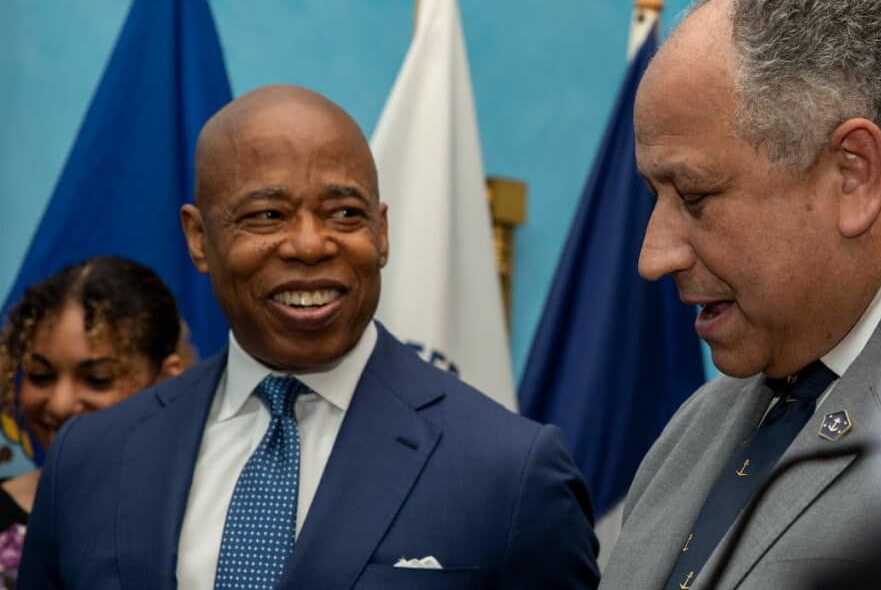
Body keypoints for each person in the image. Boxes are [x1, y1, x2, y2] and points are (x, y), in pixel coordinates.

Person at [20, 84, 600, 589]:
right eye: (268, 216)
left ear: (382, 233)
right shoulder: (91, 459)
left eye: (344, 213)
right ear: (198, 239)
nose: (310, 244)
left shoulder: (509, 471)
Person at [598, 0, 881, 590]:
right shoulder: (694, 430)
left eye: (694, 196)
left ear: (853, 174)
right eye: (653, 198)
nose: (653, 257)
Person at [0, 255, 185, 585]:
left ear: (166, 380)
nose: (60, 404)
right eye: (40, 375)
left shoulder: (203, 512)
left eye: (97, 379)